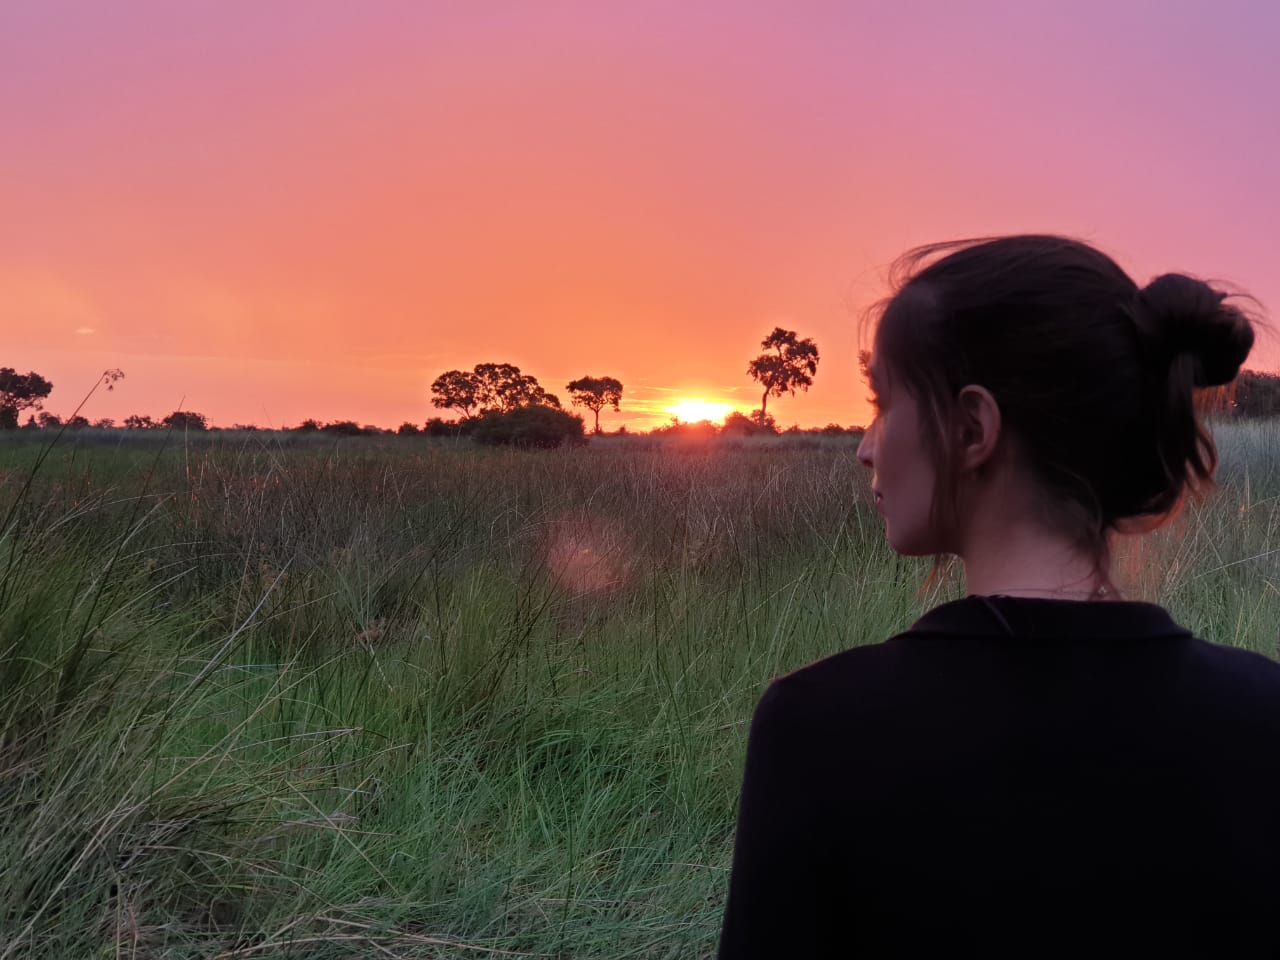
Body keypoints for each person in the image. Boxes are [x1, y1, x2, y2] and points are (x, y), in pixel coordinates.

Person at [717, 235, 1280, 958]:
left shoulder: (818, 728)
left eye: (885, 403)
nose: (866, 446)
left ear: (972, 428)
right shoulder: (1263, 714)